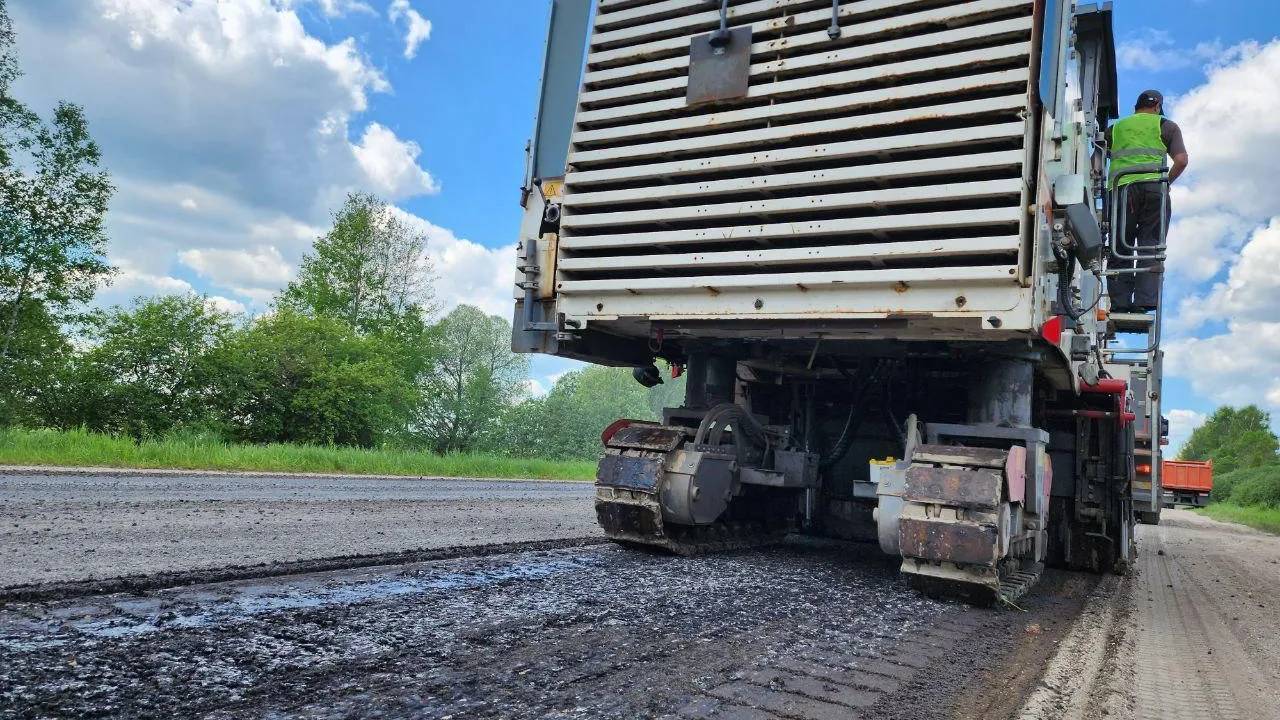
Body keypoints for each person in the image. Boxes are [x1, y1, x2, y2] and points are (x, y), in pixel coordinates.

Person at [1105, 90, 1189, 312]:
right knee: (1150, 245)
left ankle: (1120, 304)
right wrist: (1166, 182)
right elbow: (1181, 160)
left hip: (1122, 190)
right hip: (1155, 191)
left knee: (1118, 245)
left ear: (1136, 107)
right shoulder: (1166, 126)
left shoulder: (1114, 130)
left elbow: (1096, 158)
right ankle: (1144, 301)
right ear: (1158, 106)